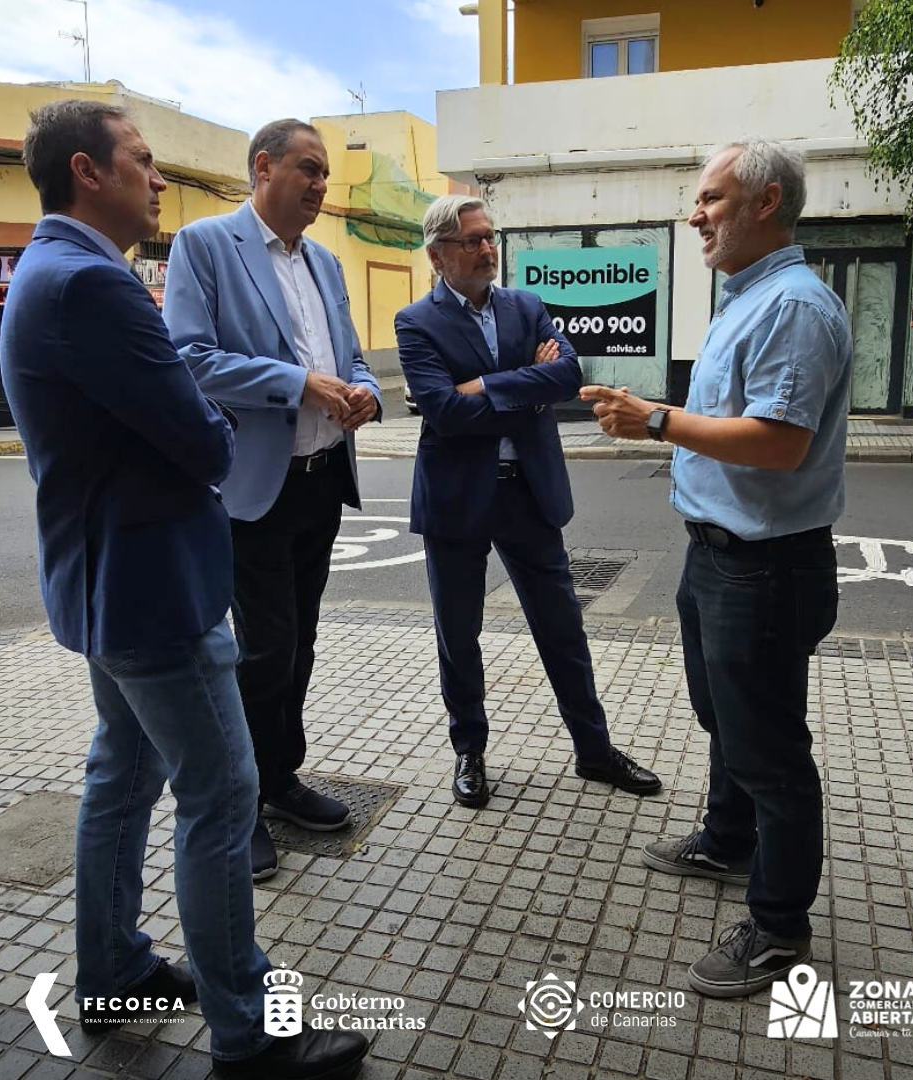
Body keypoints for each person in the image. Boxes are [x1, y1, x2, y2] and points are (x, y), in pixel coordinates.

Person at [1, 99, 367, 1080]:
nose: (160, 178)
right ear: (87, 172)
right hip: (153, 586)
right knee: (222, 789)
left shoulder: (50, 268)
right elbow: (204, 437)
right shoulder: (94, 284)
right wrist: (221, 422)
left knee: (122, 776)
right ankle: (248, 1032)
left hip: (107, 581)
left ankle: (115, 969)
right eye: (142, 159)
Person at [581, 139, 851, 998]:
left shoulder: (794, 307)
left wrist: (657, 420)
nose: (695, 214)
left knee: (771, 752)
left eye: (712, 198)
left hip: (764, 569)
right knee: (725, 721)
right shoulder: (747, 297)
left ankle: (778, 929)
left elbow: (779, 443)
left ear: (767, 202)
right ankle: (727, 840)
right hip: (718, 558)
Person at [164, 120, 381, 882]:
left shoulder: (324, 261)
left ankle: (281, 777)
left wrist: (366, 391)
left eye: (324, 175)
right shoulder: (205, 245)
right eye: (308, 169)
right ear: (263, 167)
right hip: (255, 490)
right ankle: (242, 802)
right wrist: (297, 384)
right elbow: (190, 358)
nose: (321, 185)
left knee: (300, 643)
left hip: (322, 480)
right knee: (262, 650)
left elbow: (352, 355)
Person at [395, 195, 662, 809]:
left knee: (562, 627)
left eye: (490, 237)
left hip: (528, 491)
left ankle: (594, 749)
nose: (487, 249)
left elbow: (568, 375)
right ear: (438, 256)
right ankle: (469, 750)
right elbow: (444, 411)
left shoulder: (527, 305)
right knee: (458, 633)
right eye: (472, 241)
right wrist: (527, 391)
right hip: (457, 499)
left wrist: (485, 385)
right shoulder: (416, 322)